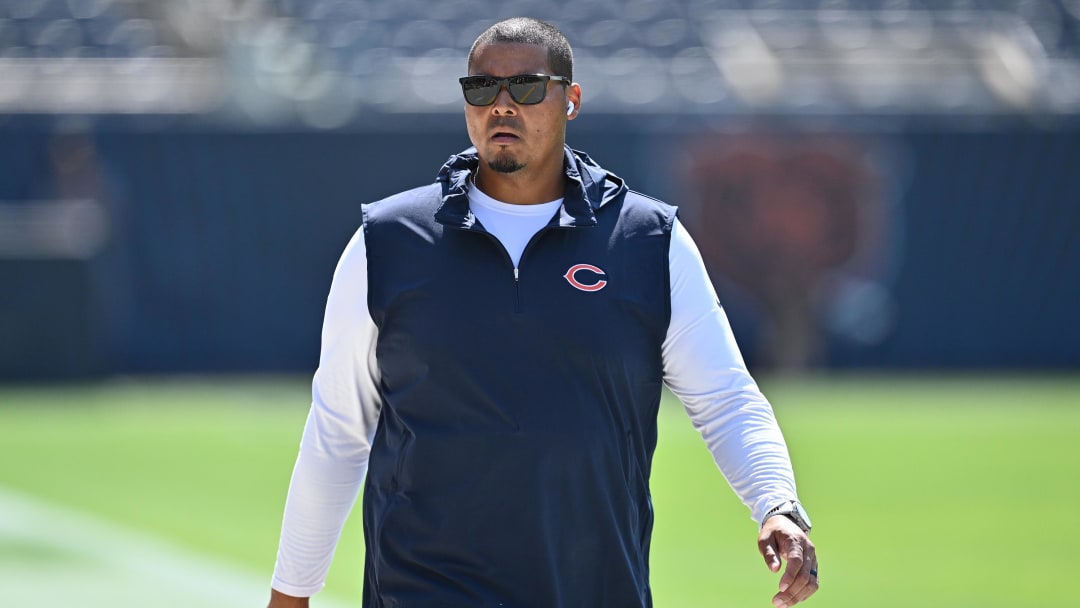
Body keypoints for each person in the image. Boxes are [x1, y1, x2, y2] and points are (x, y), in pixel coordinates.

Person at [268, 17, 818, 608]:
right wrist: (291, 596)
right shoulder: (388, 242)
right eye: (482, 89)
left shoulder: (648, 240)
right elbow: (337, 432)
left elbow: (725, 398)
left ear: (571, 100)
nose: (502, 105)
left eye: (526, 87)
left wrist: (776, 503)